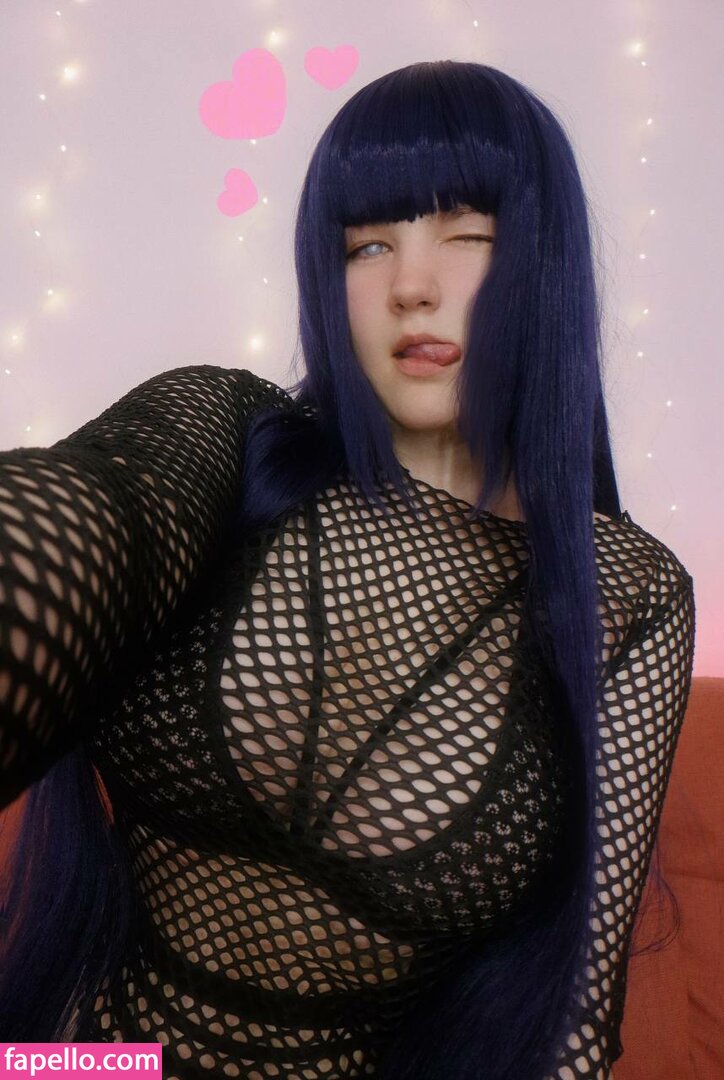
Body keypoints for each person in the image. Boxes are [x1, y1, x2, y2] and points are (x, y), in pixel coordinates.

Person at [0, 59, 695, 1080]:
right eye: (365, 244)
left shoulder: (626, 590)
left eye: (468, 234)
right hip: (81, 1063)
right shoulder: (231, 437)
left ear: (542, 260)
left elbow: (574, 1021)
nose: (410, 284)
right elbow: (79, 516)